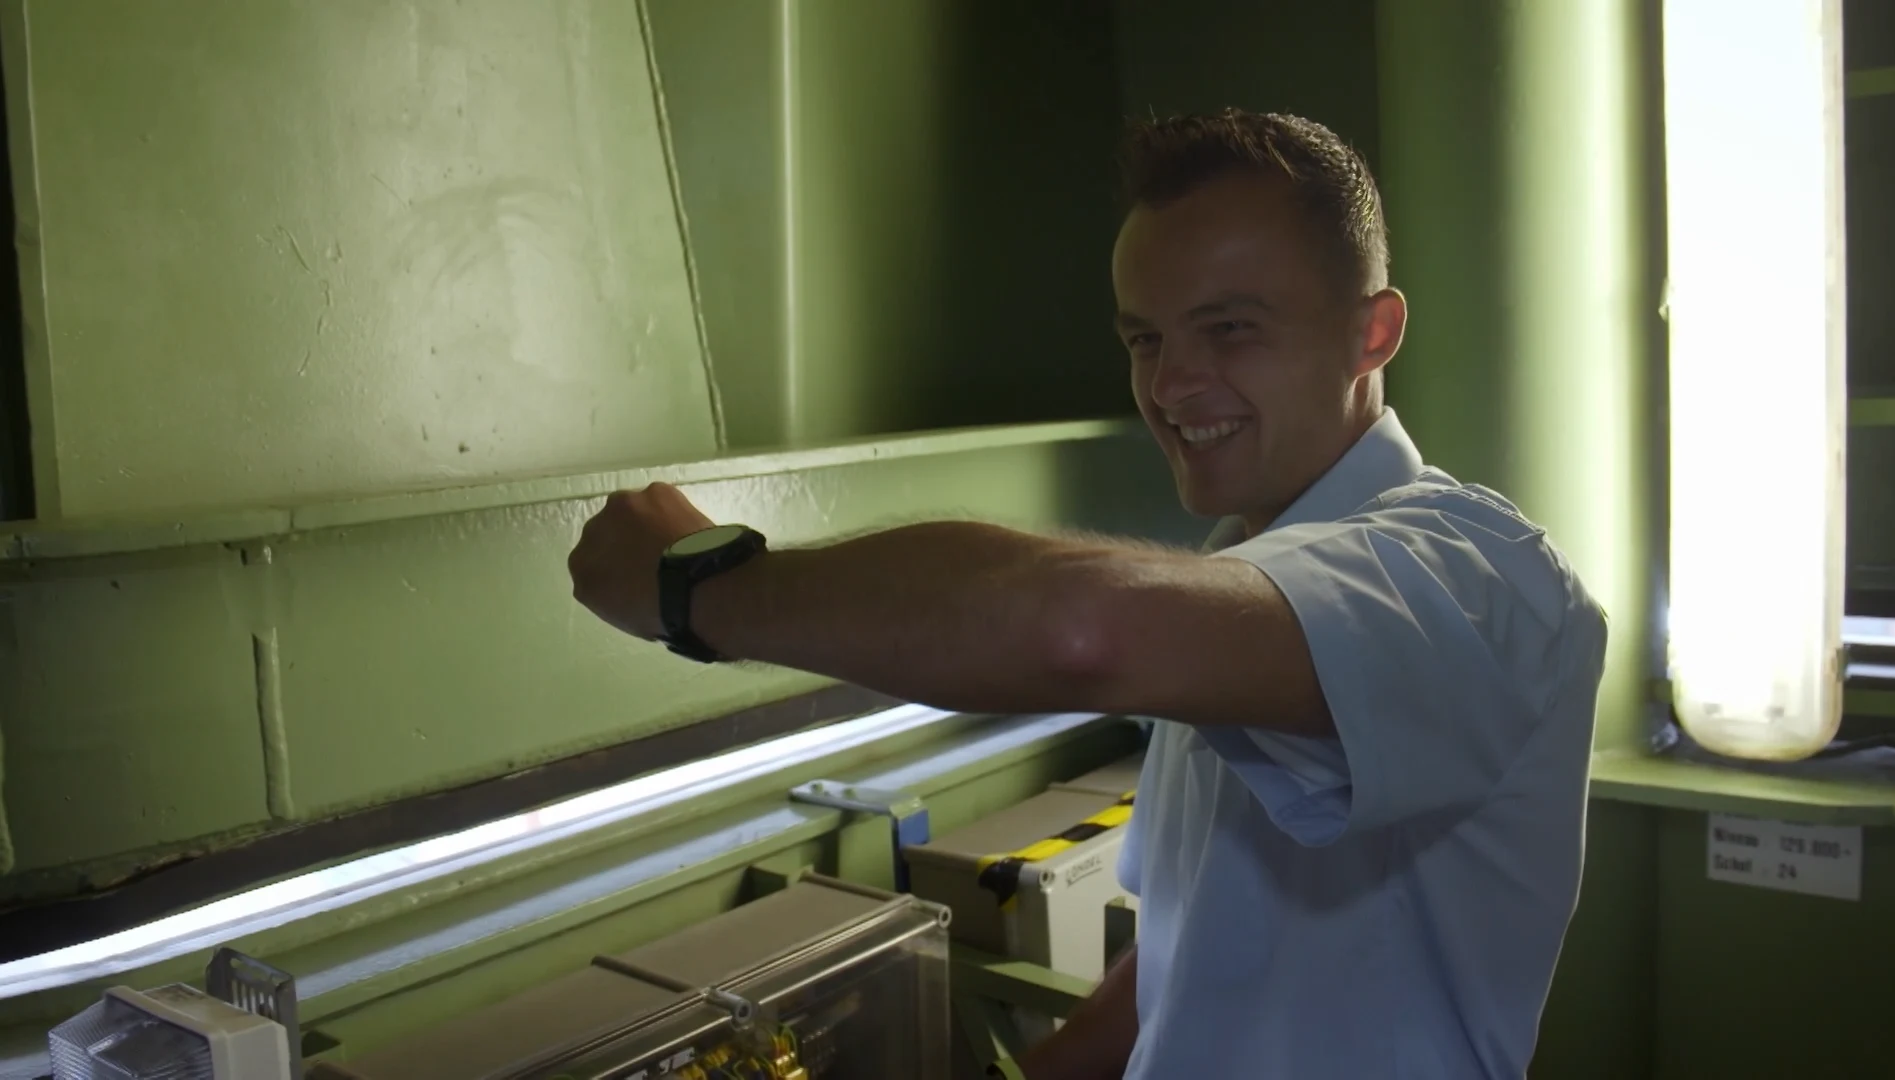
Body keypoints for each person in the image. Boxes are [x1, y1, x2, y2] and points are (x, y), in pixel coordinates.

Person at [568, 109, 1608, 1078]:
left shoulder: (1477, 579)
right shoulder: (1240, 584)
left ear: (1372, 334)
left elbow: (1079, 628)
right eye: (1145, 339)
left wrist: (698, 583)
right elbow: (1185, 953)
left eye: (1232, 329)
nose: (1169, 385)